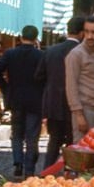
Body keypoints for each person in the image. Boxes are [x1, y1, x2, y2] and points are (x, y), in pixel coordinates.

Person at [0, 25, 44, 178]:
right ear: (35, 39)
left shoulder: (11, 53)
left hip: (15, 98)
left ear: (21, 37)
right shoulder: (41, 56)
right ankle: (29, 169)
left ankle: (18, 163)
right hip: (35, 100)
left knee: (17, 134)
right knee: (32, 136)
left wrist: (5, 87)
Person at [35, 16, 84, 168]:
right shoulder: (83, 52)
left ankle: (47, 173)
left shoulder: (51, 51)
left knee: (54, 142)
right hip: (76, 106)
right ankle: (71, 176)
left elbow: (38, 76)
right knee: (73, 143)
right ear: (82, 33)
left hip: (54, 104)